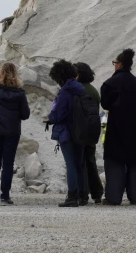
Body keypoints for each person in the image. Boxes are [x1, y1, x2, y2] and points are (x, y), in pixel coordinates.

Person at [100, 48, 136, 205]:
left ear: (120, 65)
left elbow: (105, 104)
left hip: (115, 127)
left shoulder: (110, 84)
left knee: (115, 161)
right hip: (135, 127)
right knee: (135, 161)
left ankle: (114, 197)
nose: (114, 65)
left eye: (114, 63)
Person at [0, 62, 30, 206]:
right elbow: (25, 114)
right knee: (8, 164)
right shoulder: (20, 92)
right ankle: (5, 196)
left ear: (0, 73)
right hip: (12, 131)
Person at [48, 60, 86, 207]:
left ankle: (72, 196)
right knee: (79, 163)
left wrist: (51, 116)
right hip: (81, 130)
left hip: (66, 132)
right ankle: (82, 196)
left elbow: (58, 115)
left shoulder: (65, 92)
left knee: (70, 163)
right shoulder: (80, 89)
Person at [75, 62, 104, 205]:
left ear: (78, 74)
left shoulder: (76, 89)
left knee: (80, 163)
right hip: (93, 129)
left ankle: (83, 194)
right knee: (91, 161)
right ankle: (97, 193)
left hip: (79, 129)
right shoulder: (93, 90)